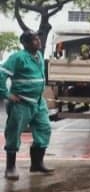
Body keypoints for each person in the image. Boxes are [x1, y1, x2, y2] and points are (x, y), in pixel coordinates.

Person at [0, 31, 54, 180]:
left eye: (38, 38)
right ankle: (10, 168)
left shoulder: (39, 57)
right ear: (26, 43)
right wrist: (6, 94)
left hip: (38, 101)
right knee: (14, 132)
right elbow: (1, 74)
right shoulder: (18, 57)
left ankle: (37, 164)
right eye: (35, 40)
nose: (38, 41)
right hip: (21, 102)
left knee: (44, 129)